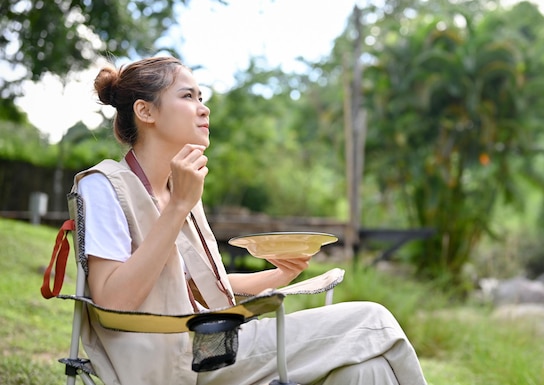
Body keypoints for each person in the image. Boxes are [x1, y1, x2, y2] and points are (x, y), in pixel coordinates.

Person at [74, 55, 429, 385]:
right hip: (169, 358)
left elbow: (190, 288)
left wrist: (279, 275)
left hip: (211, 344)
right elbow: (113, 302)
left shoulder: (177, 189)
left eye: (201, 97)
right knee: (372, 320)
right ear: (145, 111)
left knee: (368, 369)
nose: (204, 108)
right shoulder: (104, 187)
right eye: (188, 96)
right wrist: (179, 207)